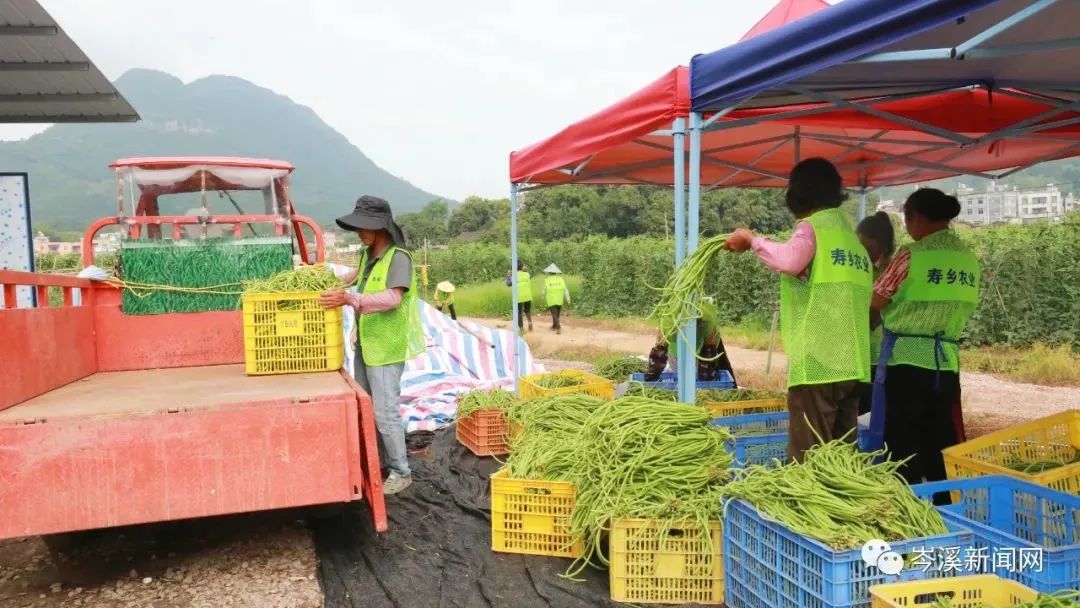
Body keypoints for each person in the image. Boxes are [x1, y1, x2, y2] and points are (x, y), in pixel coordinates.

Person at [724, 158, 872, 461]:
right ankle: (843, 506)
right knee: (842, 456)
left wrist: (752, 240)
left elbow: (790, 260)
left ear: (800, 194)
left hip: (817, 365)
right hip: (850, 363)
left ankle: (804, 506)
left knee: (809, 456)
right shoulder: (851, 238)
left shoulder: (813, 227)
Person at [868, 189, 978, 490]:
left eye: (907, 219)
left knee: (902, 443)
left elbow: (875, 300)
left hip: (906, 361)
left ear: (916, 217)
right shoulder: (968, 259)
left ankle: (908, 506)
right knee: (940, 439)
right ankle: (944, 506)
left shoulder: (911, 255)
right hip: (946, 362)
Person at [320, 195, 425, 495]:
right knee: (365, 405)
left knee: (386, 411)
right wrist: (321, 280)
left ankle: (402, 471)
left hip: (387, 347)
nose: (359, 232)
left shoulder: (399, 258)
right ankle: (377, 462)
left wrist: (350, 299)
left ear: (381, 227)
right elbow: (351, 280)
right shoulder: (368, 256)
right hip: (366, 342)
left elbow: (393, 298)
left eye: (364, 227)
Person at [856, 212, 896, 415]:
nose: (862, 252)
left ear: (882, 245)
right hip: (857, 353)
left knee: (872, 412)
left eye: (867, 247)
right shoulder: (860, 268)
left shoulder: (892, 271)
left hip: (880, 354)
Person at [645, 299, 737, 384]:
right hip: (675, 347)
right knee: (680, 375)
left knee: (708, 374)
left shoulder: (707, 321)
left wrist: (706, 378)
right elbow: (658, 354)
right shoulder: (668, 324)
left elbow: (709, 353)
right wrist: (652, 376)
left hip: (705, 342)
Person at [541, 263, 570, 334]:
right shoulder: (561, 279)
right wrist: (568, 298)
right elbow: (565, 289)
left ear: (549, 273)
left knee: (554, 314)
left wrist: (542, 296)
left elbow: (544, 289)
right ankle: (554, 326)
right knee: (557, 314)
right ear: (556, 272)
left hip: (551, 299)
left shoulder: (547, 280)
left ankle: (558, 327)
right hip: (559, 298)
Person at [505, 261, 533, 332]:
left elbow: (508, 284)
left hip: (518, 297)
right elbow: (530, 277)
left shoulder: (513, 276)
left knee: (519, 312)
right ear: (522, 267)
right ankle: (530, 322)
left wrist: (508, 275)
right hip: (527, 295)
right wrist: (526, 270)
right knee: (527, 310)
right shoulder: (527, 274)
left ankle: (521, 328)